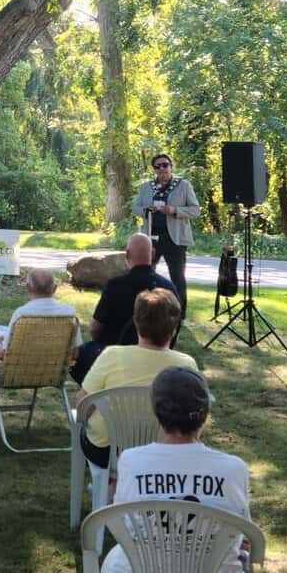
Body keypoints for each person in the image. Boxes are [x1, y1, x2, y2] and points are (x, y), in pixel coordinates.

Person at [100, 367, 252, 573]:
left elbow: (122, 525)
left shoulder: (131, 460)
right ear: (205, 413)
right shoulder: (234, 468)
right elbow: (244, 536)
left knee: (123, 558)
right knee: (209, 555)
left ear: (156, 413)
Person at [77, 288, 195, 473]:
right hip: (163, 450)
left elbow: (84, 404)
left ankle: (112, 487)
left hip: (108, 450)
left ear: (136, 323)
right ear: (174, 329)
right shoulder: (186, 364)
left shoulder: (111, 355)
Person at [0, 266, 79, 419]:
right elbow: (75, 353)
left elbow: (3, 355)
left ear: (28, 288)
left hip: (14, 373)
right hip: (51, 372)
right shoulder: (69, 314)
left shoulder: (23, 314)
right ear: (55, 288)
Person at [72, 234, 178, 384]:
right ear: (153, 253)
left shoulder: (116, 286)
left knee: (80, 354)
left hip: (115, 353)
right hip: (159, 353)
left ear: (127, 254)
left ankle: (98, 387)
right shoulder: (169, 288)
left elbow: (95, 328)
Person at [132, 153, 200, 312]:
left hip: (174, 238)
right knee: (146, 275)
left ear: (171, 167)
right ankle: (146, 310)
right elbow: (135, 208)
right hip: (150, 238)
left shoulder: (183, 185)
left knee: (177, 277)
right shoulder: (146, 187)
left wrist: (175, 210)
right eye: (158, 166)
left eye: (165, 165)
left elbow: (195, 210)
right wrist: (146, 210)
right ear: (154, 169)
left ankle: (179, 313)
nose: (162, 169)